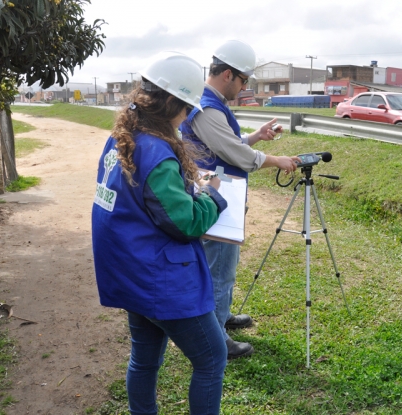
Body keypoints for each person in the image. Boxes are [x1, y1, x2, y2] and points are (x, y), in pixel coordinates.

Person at [92, 52, 228, 415]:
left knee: (145, 359)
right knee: (212, 358)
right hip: (160, 279)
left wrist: (186, 188)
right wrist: (213, 197)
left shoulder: (123, 137)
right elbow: (186, 224)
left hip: (129, 272)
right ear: (170, 104)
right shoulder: (157, 153)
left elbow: (139, 201)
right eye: (185, 110)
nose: (185, 119)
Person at [180, 40, 300, 360]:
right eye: (244, 81)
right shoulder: (206, 106)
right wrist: (275, 159)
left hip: (217, 189)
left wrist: (256, 136)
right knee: (219, 267)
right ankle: (216, 334)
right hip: (215, 195)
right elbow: (235, 153)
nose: (244, 88)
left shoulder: (210, 101)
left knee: (222, 262)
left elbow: (227, 143)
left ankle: (221, 315)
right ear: (228, 75)